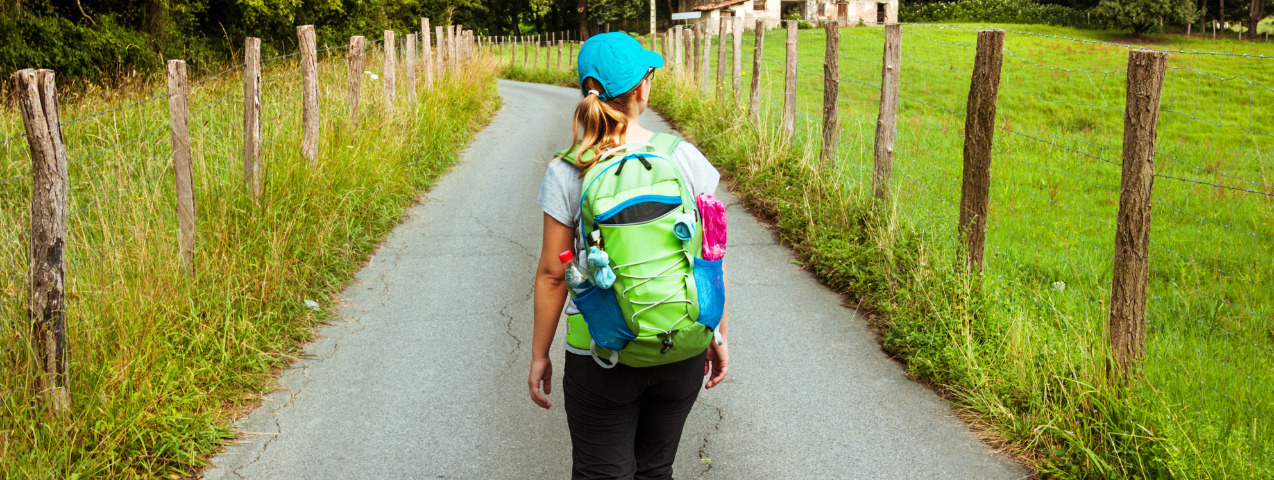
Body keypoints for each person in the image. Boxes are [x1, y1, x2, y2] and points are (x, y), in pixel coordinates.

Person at [528, 32, 730, 480]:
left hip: (601, 350)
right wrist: (714, 331)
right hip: (681, 343)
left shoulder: (568, 168)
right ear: (642, 87)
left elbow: (552, 274)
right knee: (655, 470)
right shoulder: (683, 158)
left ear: (587, 90)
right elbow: (709, 255)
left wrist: (540, 353)